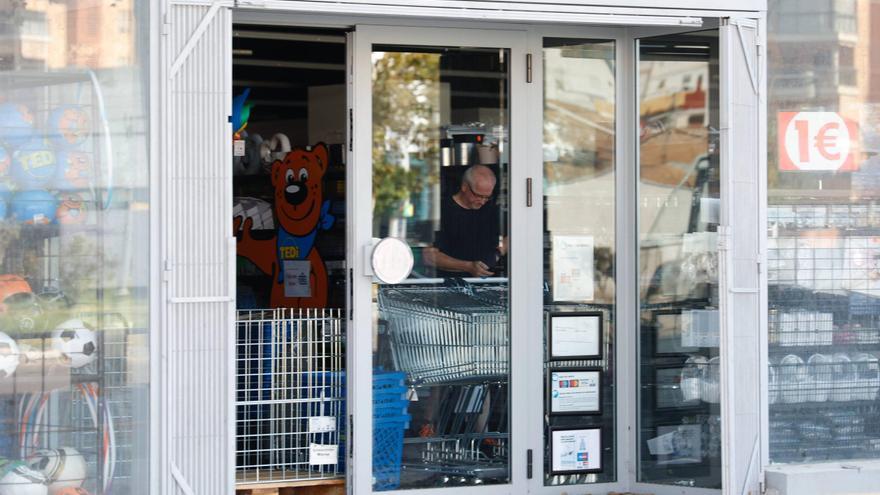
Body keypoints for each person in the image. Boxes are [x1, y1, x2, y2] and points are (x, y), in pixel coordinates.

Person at [423, 164, 506, 278]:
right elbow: (429, 256)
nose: (482, 201)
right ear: (464, 186)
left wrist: (496, 254)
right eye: (478, 195)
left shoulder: (491, 209)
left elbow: (513, 234)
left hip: (490, 285)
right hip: (450, 285)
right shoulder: (441, 211)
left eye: (487, 197)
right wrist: (468, 266)